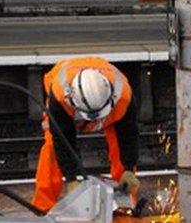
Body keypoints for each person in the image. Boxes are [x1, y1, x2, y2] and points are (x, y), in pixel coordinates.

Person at [31, 57, 140, 212]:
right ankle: (42, 208)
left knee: (120, 152)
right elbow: (63, 140)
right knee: (52, 148)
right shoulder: (60, 96)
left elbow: (129, 134)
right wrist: (71, 178)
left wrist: (129, 168)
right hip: (66, 108)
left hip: (110, 109)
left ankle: (125, 204)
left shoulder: (124, 95)